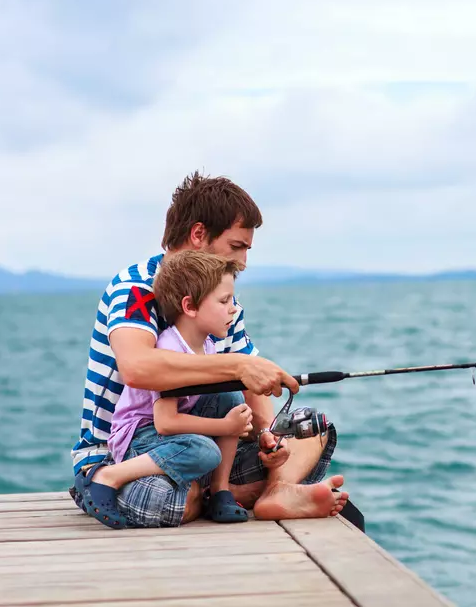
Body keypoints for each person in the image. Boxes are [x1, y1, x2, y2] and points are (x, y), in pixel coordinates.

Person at [69, 171, 361, 529]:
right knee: (169, 498)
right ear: (198, 235)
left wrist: (270, 438)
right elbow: (136, 367)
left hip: (203, 447)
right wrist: (236, 367)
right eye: (236, 246)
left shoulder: (224, 304)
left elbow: (250, 390)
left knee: (311, 429)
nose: (243, 261)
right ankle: (227, 494)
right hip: (122, 454)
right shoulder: (138, 288)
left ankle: (273, 490)